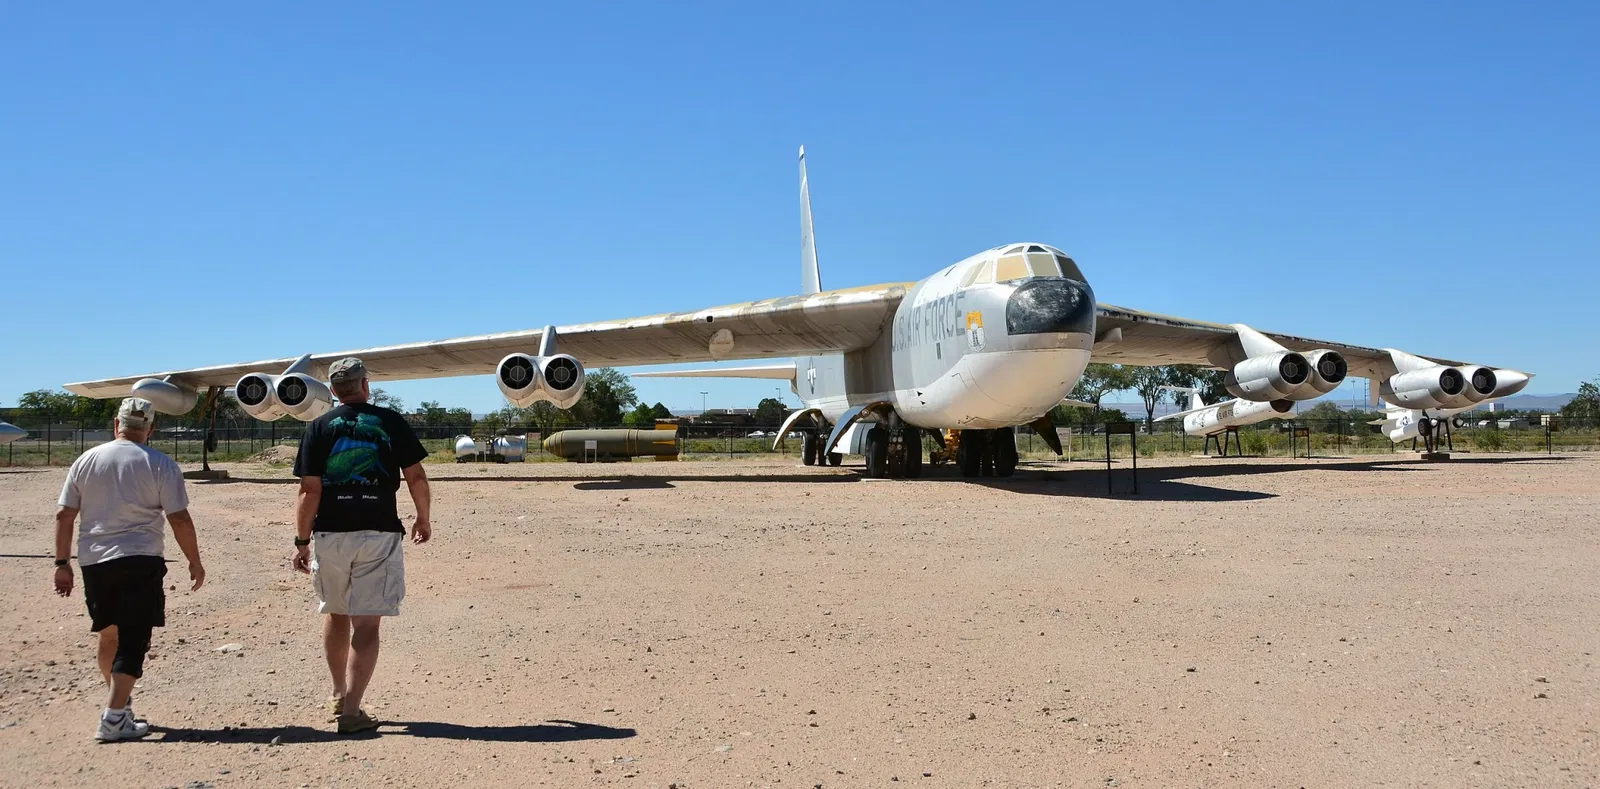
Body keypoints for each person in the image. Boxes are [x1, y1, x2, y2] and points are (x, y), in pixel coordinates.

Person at [292, 357, 431, 734]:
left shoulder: (318, 427)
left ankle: (339, 693)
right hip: (379, 531)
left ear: (334, 391)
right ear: (365, 386)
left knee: (336, 614)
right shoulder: (389, 421)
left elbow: (309, 489)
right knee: (367, 624)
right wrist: (423, 517)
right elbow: (415, 475)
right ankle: (352, 710)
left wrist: (302, 540)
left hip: (331, 533)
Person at [53, 397, 205, 742]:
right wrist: (194, 561)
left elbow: (64, 515)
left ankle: (119, 702)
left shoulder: (86, 460)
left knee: (109, 634)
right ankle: (114, 716)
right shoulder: (160, 464)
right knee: (134, 639)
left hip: (94, 560)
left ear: (116, 424)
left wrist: (62, 564)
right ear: (151, 429)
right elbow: (178, 517)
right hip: (139, 558)